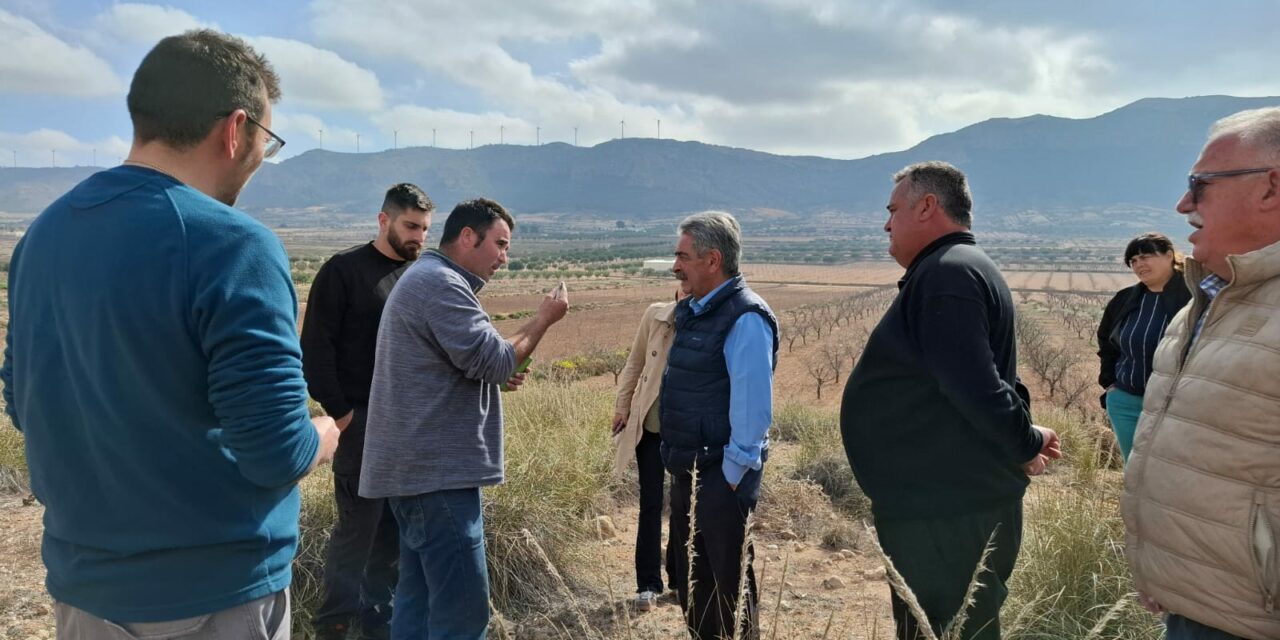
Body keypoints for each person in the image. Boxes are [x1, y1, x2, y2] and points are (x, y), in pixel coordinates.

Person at [0, 30, 339, 640]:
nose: (262, 157)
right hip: (217, 594)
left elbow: (25, 405)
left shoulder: (41, 238)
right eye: (268, 139)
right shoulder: (234, 244)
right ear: (236, 130)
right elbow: (274, 453)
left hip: (84, 593)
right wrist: (325, 433)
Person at [840, 161, 1060, 640]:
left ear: (927, 206)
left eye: (893, 209)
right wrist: (1027, 436)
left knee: (951, 629)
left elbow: (977, 386)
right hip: (943, 502)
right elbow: (991, 377)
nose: (886, 223)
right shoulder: (955, 270)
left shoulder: (948, 275)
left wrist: (1024, 444)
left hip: (947, 510)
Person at [359, 198, 569, 639]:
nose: (504, 257)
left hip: (419, 475)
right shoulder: (440, 283)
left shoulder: (429, 279)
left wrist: (494, 373)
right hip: (437, 478)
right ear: (468, 236)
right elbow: (492, 361)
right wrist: (543, 320)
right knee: (463, 614)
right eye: (500, 244)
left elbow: (470, 364)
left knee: (418, 604)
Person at [1122, 107, 1280, 640]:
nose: (1183, 204)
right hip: (1197, 604)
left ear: (1270, 187)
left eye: (1200, 184)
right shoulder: (1210, 295)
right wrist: (1167, 568)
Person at [301, 183, 434, 640]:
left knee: (395, 535)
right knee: (356, 533)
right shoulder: (344, 271)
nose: (418, 237)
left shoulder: (420, 277)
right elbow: (316, 349)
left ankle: (382, 623)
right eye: (410, 226)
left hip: (410, 431)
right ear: (384, 220)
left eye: (424, 229)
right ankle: (333, 625)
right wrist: (342, 415)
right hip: (360, 428)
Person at [660, 211, 777, 640]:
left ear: (712, 260)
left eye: (683, 256)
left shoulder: (745, 317)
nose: (676, 266)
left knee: (727, 589)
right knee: (694, 585)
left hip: (719, 477)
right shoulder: (696, 310)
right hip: (691, 471)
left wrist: (730, 478)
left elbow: (753, 411)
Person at [611, 283, 691, 612]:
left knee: (683, 504)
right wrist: (622, 406)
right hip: (651, 427)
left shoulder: (708, 322)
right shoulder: (655, 317)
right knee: (651, 504)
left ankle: (679, 579)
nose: (687, 290)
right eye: (682, 284)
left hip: (687, 432)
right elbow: (634, 363)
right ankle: (647, 584)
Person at [1095, 232, 1190, 462]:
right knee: (1134, 470)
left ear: (1169, 256)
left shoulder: (1193, 298)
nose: (1139, 264)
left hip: (1176, 407)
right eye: (1134, 261)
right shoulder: (1125, 299)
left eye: (1145, 256)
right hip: (1126, 401)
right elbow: (1106, 344)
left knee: (1170, 471)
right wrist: (1110, 384)